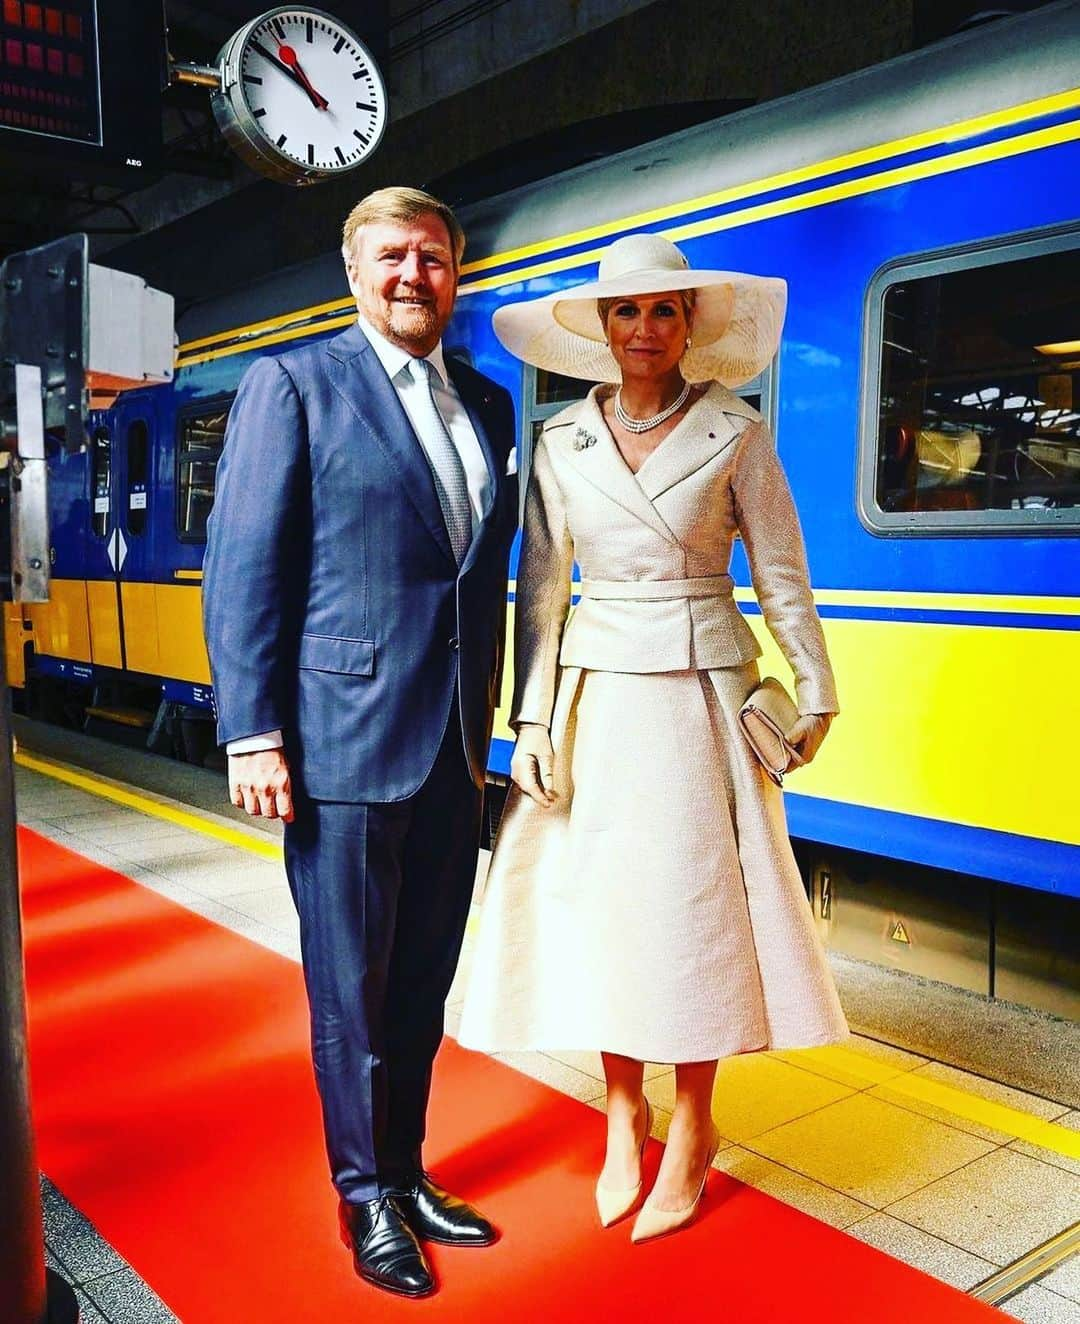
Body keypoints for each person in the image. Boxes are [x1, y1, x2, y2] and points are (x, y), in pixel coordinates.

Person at [458, 233, 848, 1243]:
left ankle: (696, 1120)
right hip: (594, 697)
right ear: (598, 325)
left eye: (663, 311)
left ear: (690, 324)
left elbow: (783, 572)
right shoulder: (558, 446)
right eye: (625, 311)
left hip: (698, 697)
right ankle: (624, 1105)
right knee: (607, 910)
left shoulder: (735, 431)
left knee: (694, 913)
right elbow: (540, 588)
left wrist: (815, 685)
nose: (643, 329)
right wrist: (532, 721)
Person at [203, 187, 519, 1298]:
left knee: (422, 981)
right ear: (353, 270)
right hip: (338, 741)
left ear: (455, 274)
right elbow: (246, 564)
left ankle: (407, 1166)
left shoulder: (485, 402)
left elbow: (475, 579)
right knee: (351, 986)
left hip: (451, 744)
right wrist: (252, 732)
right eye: (392, 256)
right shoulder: (292, 384)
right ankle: (363, 1198)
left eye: (433, 258)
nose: (413, 275)